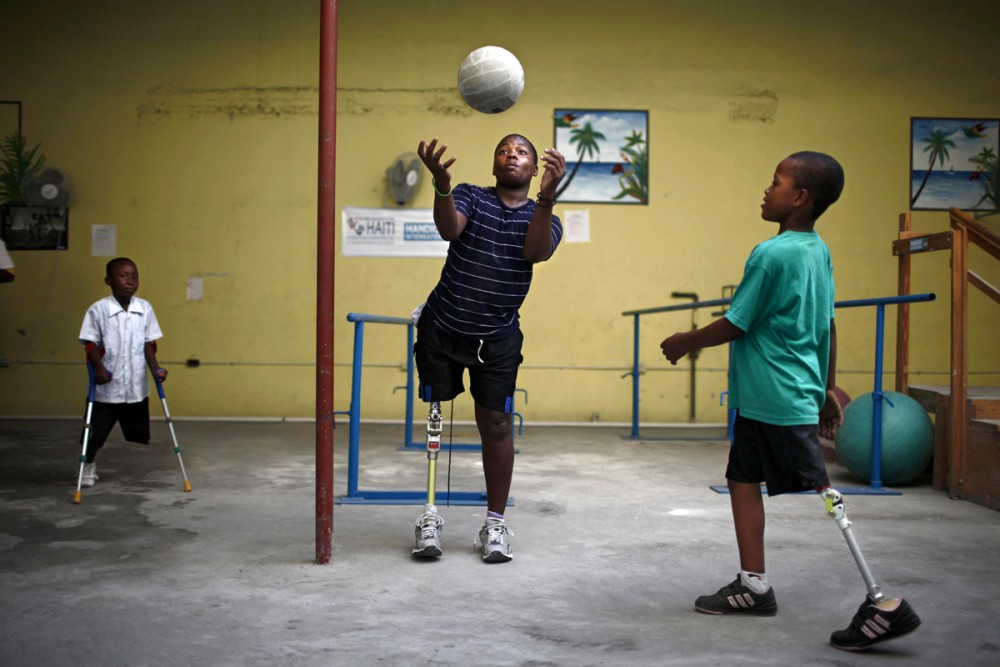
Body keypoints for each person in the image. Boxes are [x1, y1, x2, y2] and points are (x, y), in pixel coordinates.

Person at [659, 152, 920, 650]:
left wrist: (685, 340)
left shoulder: (771, 254)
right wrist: (825, 387)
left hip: (779, 397)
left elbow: (739, 320)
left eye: (775, 181)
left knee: (823, 492)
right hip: (772, 397)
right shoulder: (816, 251)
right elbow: (829, 324)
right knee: (741, 479)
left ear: (799, 197)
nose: (766, 189)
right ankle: (754, 585)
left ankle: (883, 601)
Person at [411, 134, 566, 562]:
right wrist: (442, 186)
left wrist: (547, 200)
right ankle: (428, 517)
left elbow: (534, 253)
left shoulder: (546, 217)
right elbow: (449, 228)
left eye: (521, 152)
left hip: (496, 338)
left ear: (535, 170)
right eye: (503, 150)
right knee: (435, 418)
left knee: (495, 425)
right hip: (443, 326)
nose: (511, 155)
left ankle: (494, 524)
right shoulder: (470, 197)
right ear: (493, 164)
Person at [77, 257, 167, 488]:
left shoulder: (144, 308)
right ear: (109, 280)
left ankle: (96, 459)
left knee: (138, 431)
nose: (130, 281)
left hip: (135, 384)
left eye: (134, 276)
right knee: (94, 432)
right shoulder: (99, 309)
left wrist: (155, 368)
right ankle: (88, 466)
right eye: (123, 275)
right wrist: (99, 368)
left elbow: (148, 343)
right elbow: (90, 343)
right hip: (107, 385)